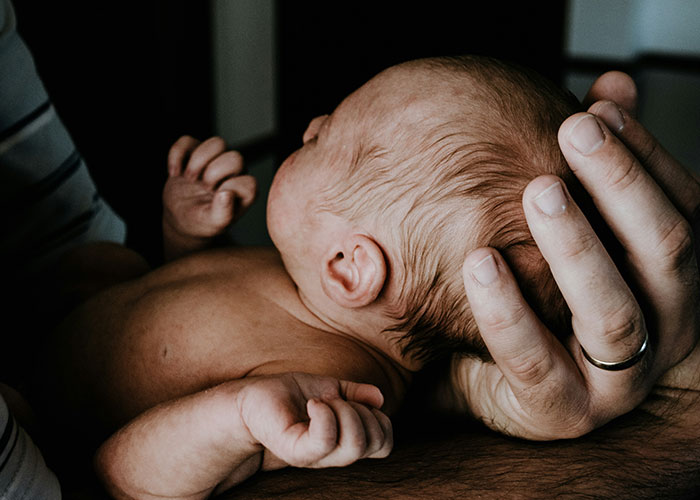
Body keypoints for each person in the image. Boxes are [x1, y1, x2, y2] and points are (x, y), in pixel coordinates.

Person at [34, 55, 698, 500]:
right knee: (107, 265)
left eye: (323, 141)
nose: (312, 124)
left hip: (57, 429)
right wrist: (188, 236)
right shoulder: (308, 288)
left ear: (352, 266)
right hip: (79, 313)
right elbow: (204, 305)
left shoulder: (325, 381)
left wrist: (234, 419)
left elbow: (133, 481)